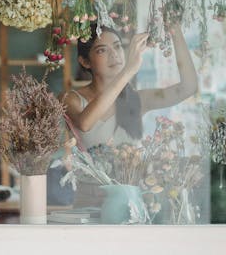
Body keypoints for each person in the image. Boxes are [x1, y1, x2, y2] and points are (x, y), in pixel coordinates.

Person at [62, 23, 198, 207]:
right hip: (89, 206)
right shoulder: (72, 99)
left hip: (129, 204)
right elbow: (85, 123)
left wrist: (176, 31)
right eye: (102, 50)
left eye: (118, 46)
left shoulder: (137, 100)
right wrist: (128, 70)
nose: (114, 54)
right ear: (85, 61)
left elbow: (188, 88)